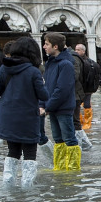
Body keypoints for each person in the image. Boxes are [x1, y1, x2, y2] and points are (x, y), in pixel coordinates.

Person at [0, 37, 49, 187]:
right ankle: (27, 189)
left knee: (13, 151)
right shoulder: (33, 71)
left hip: (7, 117)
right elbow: (44, 95)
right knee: (30, 153)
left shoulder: (5, 68)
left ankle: (8, 185)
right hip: (27, 118)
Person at [42, 32, 81, 170]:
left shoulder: (66, 64)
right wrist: (44, 104)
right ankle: (60, 167)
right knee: (58, 139)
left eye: (47, 44)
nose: (44, 46)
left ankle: (73, 169)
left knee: (69, 138)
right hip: (52, 107)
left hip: (63, 108)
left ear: (56, 46)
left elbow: (62, 89)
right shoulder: (50, 63)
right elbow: (46, 87)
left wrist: (47, 107)